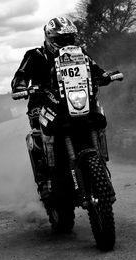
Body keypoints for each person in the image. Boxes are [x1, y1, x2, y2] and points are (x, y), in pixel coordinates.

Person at [11, 17, 110, 202]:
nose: (66, 43)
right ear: (49, 38)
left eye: (70, 39)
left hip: (75, 100)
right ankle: (45, 179)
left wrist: (105, 76)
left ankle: (100, 160)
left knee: (98, 115)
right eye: (61, 40)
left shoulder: (79, 54)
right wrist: (20, 87)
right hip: (43, 102)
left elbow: (95, 69)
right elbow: (20, 76)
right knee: (37, 133)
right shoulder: (35, 55)